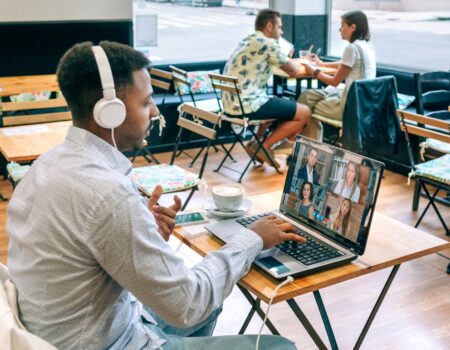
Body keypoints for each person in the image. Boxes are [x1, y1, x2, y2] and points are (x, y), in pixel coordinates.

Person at [7, 41, 305, 350]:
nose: (154, 111)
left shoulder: (46, 165)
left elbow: (83, 249)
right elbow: (188, 305)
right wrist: (251, 237)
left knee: (210, 300)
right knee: (279, 346)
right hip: (107, 342)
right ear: (109, 113)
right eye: (146, 102)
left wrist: (140, 232)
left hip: (72, 328)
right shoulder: (108, 194)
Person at [222, 8, 311, 169]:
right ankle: (266, 146)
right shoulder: (268, 43)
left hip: (231, 106)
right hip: (247, 105)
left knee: (275, 104)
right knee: (304, 112)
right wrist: (307, 64)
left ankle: (256, 143)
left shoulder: (247, 40)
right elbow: (294, 70)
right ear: (269, 26)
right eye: (279, 27)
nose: (281, 32)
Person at [299, 10, 376, 141]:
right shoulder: (365, 46)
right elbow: (345, 64)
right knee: (308, 96)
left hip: (350, 108)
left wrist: (313, 70)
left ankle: (304, 145)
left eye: (343, 25)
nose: (340, 29)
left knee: (306, 105)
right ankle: (308, 144)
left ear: (353, 27)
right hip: (364, 103)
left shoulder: (351, 48)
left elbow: (334, 81)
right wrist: (321, 63)